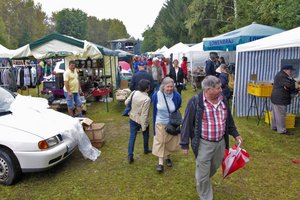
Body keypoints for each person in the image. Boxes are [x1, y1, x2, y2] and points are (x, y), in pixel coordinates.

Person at [180, 75, 242, 200]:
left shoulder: (223, 99)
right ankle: (205, 195)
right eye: (218, 88)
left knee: (213, 167)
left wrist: (235, 134)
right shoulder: (196, 101)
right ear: (208, 90)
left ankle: (202, 179)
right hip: (204, 144)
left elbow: (228, 120)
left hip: (220, 143)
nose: (221, 90)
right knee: (203, 174)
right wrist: (184, 143)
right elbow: (186, 123)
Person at [152, 77, 182, 173]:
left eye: (171, 87)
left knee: (169, 141)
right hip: (160, 121)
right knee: (161, 141)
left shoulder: (177, 96)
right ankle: (160, 163)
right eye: (167, 86)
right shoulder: (156, 95)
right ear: (163, 86)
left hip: (171, 123)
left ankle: (168, 157)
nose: (169, 89)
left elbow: (177, 106)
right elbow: (154, 109)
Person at [126, 79, 152, 164]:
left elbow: (126, 103)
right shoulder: (147, 99)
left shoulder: (134, 92)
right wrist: (143, 126)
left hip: (132, 117)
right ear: (147, 88)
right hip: (141, 120)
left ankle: (130, 155)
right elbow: (144, 115)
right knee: (145, 134)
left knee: (132, 136)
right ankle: (145, 149)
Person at [270, 64, 300, 135]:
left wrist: (294, 84)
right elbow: (290, 85)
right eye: (291, 70)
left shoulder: (283, 75)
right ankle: (282, 130)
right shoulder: (282, 76)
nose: (292, 72)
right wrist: (296, 86)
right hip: (280, 98)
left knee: (276, 114)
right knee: (281, 115)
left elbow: (290, 83)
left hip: (277, 97)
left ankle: (274, 127)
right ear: (286, 70)